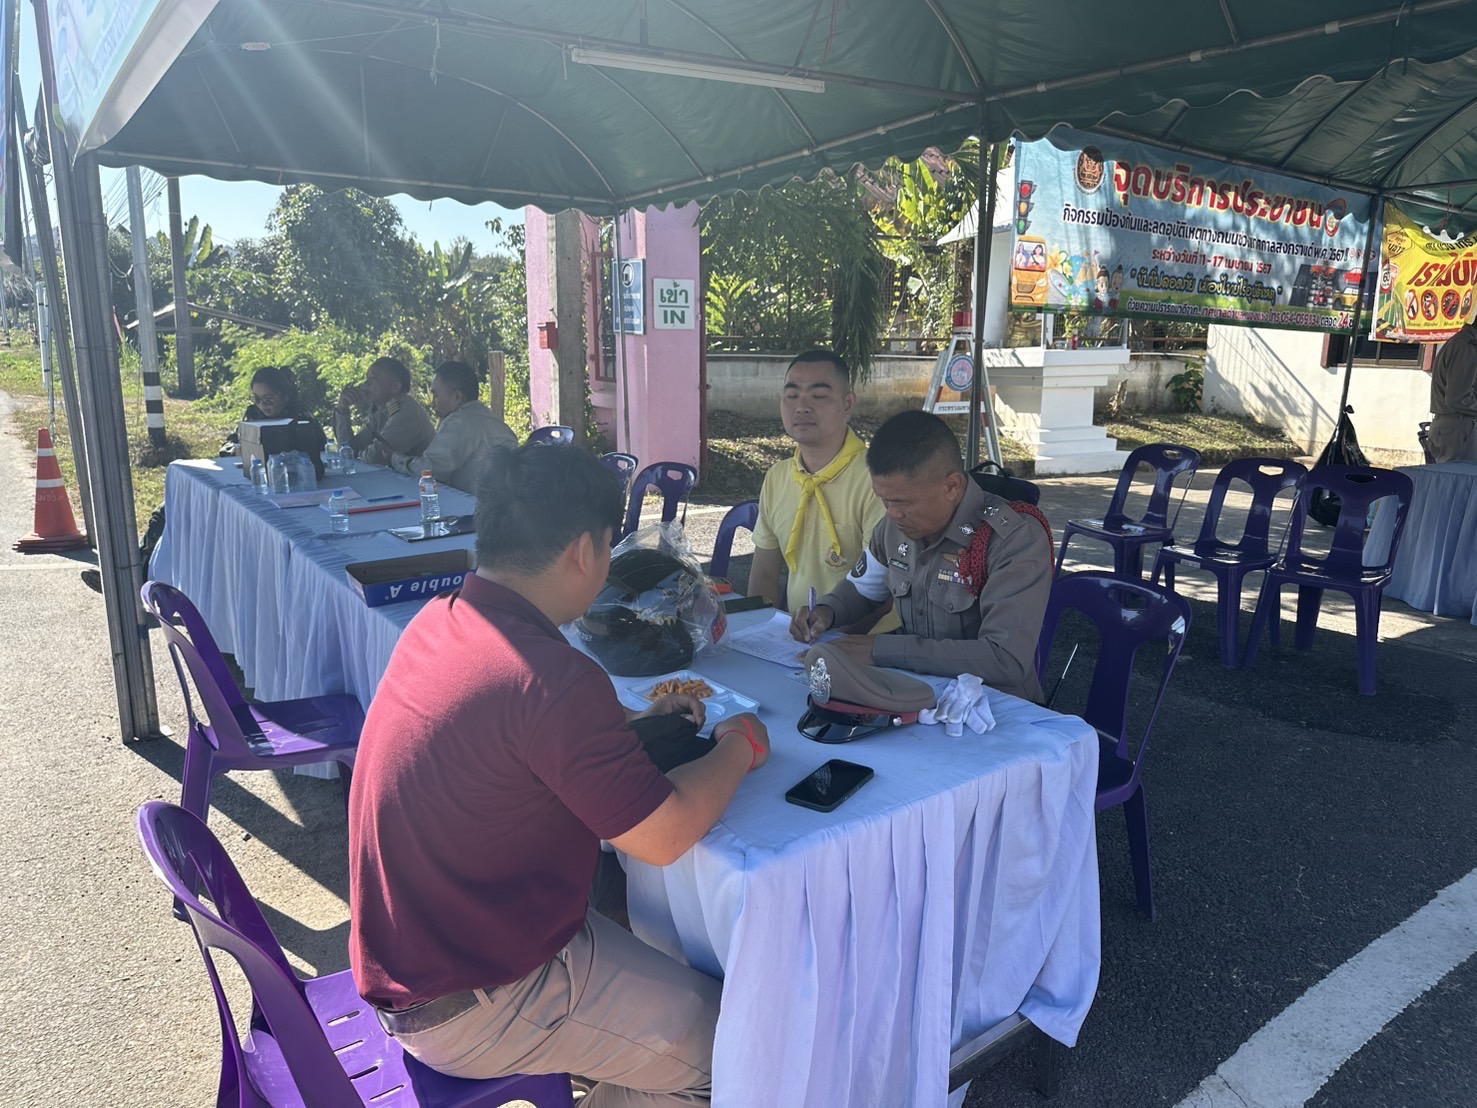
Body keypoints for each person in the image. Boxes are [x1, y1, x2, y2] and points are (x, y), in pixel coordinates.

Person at [349, 444, 771, 1107]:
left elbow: (515, 742)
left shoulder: (442, 620)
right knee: (744, 1051)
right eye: (609, 547)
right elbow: (664, 836)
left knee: (665, 965)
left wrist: (633, 723)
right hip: (480, 995)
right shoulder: (552, 678)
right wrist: (739, 745)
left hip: (427, 953)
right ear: (583, 551)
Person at [790, 410, 1053, 703]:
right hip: (915, 693)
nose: (892, 514)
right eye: (884, 500)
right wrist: (826, 611)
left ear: (951, 486)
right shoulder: (894, 528)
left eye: (902, 503)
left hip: (995, 708)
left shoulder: (1013, 539)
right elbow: (863, 589)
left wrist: (881, 650)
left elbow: (1004, 659)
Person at [748, 350, 897, 634]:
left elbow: (885, 591)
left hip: (866, 642)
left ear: (847, 403)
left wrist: (829, 643)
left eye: (818, 396)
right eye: (791, 395)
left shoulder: (877, 478)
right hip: (797, 642)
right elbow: (764, 574)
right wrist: (758, 635)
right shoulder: (777, 477)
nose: (802, 407)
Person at [388, 360, 517, 491]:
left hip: (475, 502)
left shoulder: (460, 422)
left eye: (436, 395)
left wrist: (394, 459)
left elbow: (428, 471)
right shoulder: (494, 421)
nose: (433, 403)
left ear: (457, 397)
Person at [333, 356, 435, 465]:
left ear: (395, 387)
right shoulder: (382, 411)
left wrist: (359, 453)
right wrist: (342, 409)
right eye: (367, 378)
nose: (366, 384)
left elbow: (376, 456)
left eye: (374, 379)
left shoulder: (408, 414)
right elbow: (348, 449)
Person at [218, 365, 327, 458]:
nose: (262, 405)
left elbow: (322, 448)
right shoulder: (254, 416)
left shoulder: (302, 418)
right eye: (257, 399)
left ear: (285, 397)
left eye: (268, 400)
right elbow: (229, 445)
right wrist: (236, 450)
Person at [1428, 314, 1477, 462]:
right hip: (1458, 428)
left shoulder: (1462, 343)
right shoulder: (1466, 347)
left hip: (1455, 427)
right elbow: (1458, 397)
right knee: (1460, 475)